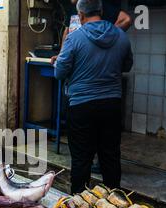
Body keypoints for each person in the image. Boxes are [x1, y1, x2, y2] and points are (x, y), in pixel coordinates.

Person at [55, 0, 133, 194]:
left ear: (80, 15)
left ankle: (78, 205)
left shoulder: (74, 38)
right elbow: (127, 66)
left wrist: (58, 61)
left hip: (81, 107)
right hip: (112, 105)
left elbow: (60, 72)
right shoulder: (121, 37)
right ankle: (115, 204)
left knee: (82, 158)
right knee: (110, 156)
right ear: (101, 10)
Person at [52, 0, 131, 64]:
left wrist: (109, 34)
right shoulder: (73, 7)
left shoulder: (96, 5)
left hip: (95, 63)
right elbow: (67, 30)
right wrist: (61, 55)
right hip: (76, 62)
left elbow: (126, 19)